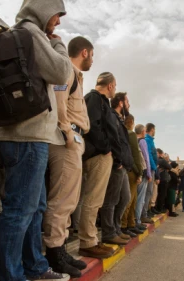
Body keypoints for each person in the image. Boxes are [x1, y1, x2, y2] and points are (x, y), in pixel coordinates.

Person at [0, 1, 73, 280]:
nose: (58, 23)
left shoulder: (21, 33)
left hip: (23, 135)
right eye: (56, 15)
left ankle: (35, 267)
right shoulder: (32, 33)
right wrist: (60, 45)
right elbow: (62, 72)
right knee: (19, 211)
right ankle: (12, 276)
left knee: (33, 207)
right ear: (42, 10)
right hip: (27, 137)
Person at [43, 36, 93, 278]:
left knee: (69, 200)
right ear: (84, 52)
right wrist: (67, 133)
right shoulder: (67, 71)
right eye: (92, 55)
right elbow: (59, 102)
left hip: (74, 139)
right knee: (61, 200)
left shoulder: (76, 76)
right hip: (67, 139)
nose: (92, 60)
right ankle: (54, 253)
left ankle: (60, 249)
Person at [78, 72, 118, 259]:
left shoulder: (99, 100)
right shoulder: (94, 98)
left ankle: (91, 239)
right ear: (110, 86)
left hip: (98, 154)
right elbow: (92, 125)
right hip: (97, 155)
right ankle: (87, 242)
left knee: (95, 200)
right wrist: (106, 148)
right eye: (115, 86)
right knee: (93, 200)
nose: (115, 90)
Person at [101, 92, 134, 245]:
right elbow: (113, 140)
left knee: (125, 197)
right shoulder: (112, 116)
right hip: (117, 164)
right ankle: (109, 232)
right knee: (111, 199)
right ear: (121, 102)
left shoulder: (120, 119)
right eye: (127, 101)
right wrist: (117, 160)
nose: (129, 104)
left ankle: (116, 228)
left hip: (123, 165)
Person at [120, 114, 146, 237]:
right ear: (132, 122)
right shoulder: (130, 135)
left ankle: (131, 224)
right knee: (129, 200)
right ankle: (124, 225)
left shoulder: (123, 133)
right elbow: (136, 155)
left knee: (133, 199)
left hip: (129, 169)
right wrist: (140, 172)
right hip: (132, 170)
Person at [135, 125, 154, 225]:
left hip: (135, 172)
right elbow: (146, 157)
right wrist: (149, 173)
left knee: (134, 197)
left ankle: (133, 220)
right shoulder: (142, 141)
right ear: (143, 132)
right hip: (143, 172)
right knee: (141, 199)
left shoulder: (133, 141)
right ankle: (137, 220)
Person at [143, 123, 159, 219]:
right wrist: (154, 167)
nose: (155, 131)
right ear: (152, 129)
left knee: (149, 192)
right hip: (150, 169)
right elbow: (148, 156)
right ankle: (143, 214)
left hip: (152, 169)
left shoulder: (151, 140)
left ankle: (146, 212)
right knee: (147, 192)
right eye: (154, 129)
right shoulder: (147, 140)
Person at [155, 149, 172, 213]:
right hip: (163, 180)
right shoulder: (162, 161)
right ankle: (160, 208)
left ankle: (158, 208)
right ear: (160, 154)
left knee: (158, 195)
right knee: (162, 195)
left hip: (159, 179)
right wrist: (167, 160)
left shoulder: (157, 160)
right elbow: (169, 167)